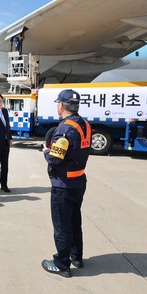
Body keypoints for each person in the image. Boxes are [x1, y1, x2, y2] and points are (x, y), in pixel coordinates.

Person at [41, 89, 91, 278]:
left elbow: (55, 159)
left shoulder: (64, 129)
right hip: (79, 182)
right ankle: (76, 257)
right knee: (74, 222)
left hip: (64, 185)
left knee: (62, 227)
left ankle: (61, 264)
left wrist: (46, 151)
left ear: (61, 105)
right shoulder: (85, 125)